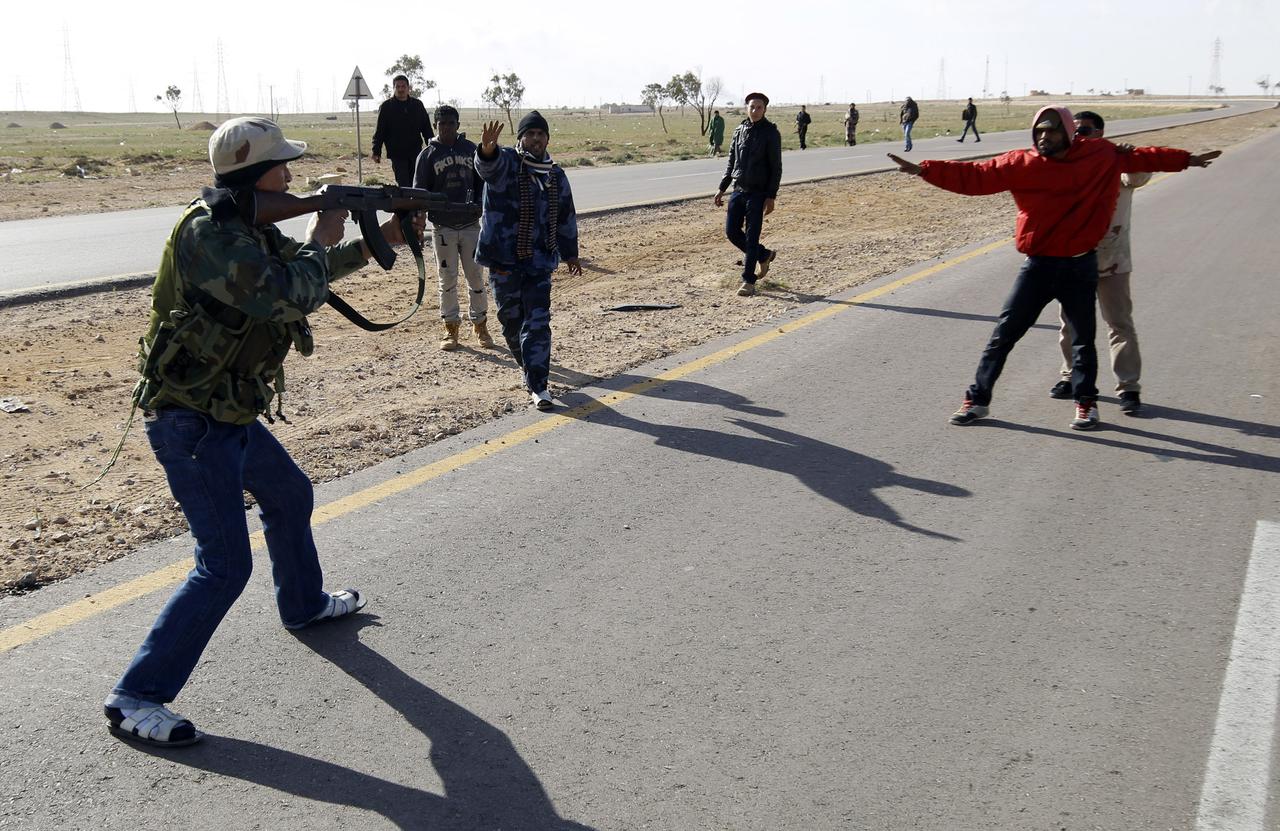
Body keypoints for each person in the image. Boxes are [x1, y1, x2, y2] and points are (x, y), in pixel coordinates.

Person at [105, 117, 425, 747]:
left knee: (289, 495)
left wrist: (379, 236)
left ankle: (303, 604)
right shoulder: (209, 236)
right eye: (283, 171)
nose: (292, 179)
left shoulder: (248, 228)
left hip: (227, 412)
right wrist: (321, 228)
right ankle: (134, 696)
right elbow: (287, 294)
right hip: (191, 423)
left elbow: (315, 270)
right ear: (255, 177)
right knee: (223, 566)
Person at [887, 106, 1220, 430]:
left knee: (1083, 339)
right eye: (1039, 131)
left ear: (1069, 132)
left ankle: (1086, 404)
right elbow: (977, 176)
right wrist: (924, 170)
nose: (1044, 136)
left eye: (1052, 130)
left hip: (1080, 265)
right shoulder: (1021, 162)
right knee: (1004, 334)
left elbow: (1145, 157)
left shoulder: (1099, 155)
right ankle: (977, 400)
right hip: (1039, 267)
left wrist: (1187, 159)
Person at [474, 111, 580, 411]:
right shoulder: (507, 162)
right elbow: (487, 168)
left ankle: (539, 385)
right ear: (520, 138)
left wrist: (570, 252)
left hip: (539, 261)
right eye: (529, 134)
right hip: (503, 261)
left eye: (540, 134)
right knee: (511, 322)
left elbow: (565, 215)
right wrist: (487, 149)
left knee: (537, 323)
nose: (535, 139)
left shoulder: (555, 174)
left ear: (547, 139)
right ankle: (527, 367)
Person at [1048, 111, 1147, 413]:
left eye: (1087, 131)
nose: (1080, 136)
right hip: (1073, 259)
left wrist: (1131, 157)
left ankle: (1128, 387)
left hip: (1112, 258)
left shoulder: (1117, 163)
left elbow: (1138, 177)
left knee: (1119, 324)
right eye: (1075, 131)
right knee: (1070, 325)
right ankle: (1069, 376)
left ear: (1101, 133)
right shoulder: (1064, 163)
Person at [413, 104, 493, 351]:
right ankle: (450, 328)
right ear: (435, 126)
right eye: (441, 123)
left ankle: (480, 325)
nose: (446, 127)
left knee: (476, 277)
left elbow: (484, 184)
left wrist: (481, 207)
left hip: (470, 226)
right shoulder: (427, 155)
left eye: (451, 123)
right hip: (442, 227)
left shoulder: (471, 150)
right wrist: (418, 221)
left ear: (458, 125)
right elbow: (419, 194)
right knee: (446, 280)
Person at [714, 92, 783, 298]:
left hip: (758, 193)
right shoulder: (739, 130)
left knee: (752, 237)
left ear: (765, 109)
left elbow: (776, 167)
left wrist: (771, 196)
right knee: (732, 233)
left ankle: (748, 281)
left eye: (759, 107)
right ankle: (764, 255)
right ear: (747, 108)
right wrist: (722, 188)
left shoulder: (771, 133)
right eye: (752, 107)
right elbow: (731, 162)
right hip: (738, 190)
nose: (755, 110)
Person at [372, 74, 434, 187]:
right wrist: (376, 150)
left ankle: (416, 204)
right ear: (394, 88)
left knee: (417, 182)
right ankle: (405, 204)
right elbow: (380, 130)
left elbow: (426, 128)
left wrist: (433, 146)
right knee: (404, 184)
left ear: (408, 88)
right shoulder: (387, 107)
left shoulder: (417, 105)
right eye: (398, 87)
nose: (400, 89)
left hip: (415, 151)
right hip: (397, 153)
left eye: (403, 86)